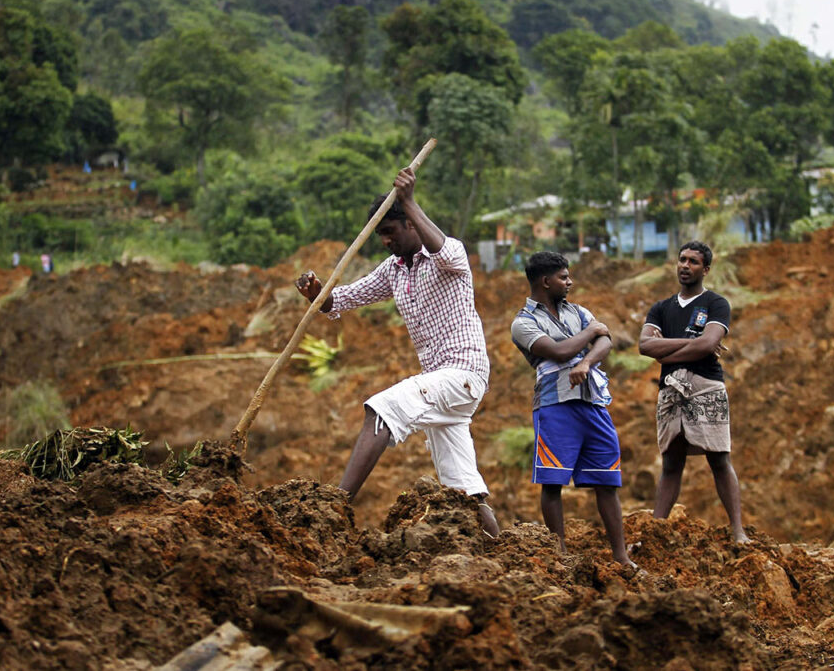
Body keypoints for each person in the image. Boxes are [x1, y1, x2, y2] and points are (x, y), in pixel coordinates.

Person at [295, 166, 500, 537]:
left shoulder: (447, 254)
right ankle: (503, 550)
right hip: (443, 388)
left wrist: (408, 200)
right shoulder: (394, 270)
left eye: (390, 232)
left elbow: (445, 252)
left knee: (380, 408)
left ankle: (336, 506)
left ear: (410, 224)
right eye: (380, 236)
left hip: (462, 374)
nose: (386, 242)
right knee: (464, 490)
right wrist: (318, 296)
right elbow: (344, 298)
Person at [510, 252, 636, 568]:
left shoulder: (577, 311)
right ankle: (561, 554)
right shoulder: (523, 323)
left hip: (592, 401)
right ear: (545, 281)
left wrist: (586, 360)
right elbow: (558, 350)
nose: (570, 282)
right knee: (553, 482)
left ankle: (620, 555)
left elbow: (606, 342)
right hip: (554, 405)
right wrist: (591, 334)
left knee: (608, 481)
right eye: (564, 277)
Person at [638, 240, 748, 543]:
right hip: (670, 390)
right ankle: (656, 531)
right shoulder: (661, 308)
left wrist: (666, 353)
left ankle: (738, 530)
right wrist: (692, 345)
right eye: (682, 259)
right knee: (671, 463)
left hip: (706, 386)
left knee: (719, 458)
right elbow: (644, 345)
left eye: (693, 262)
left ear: (706, 269)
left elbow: (708, 342)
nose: (685, 266)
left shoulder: (716, 303)